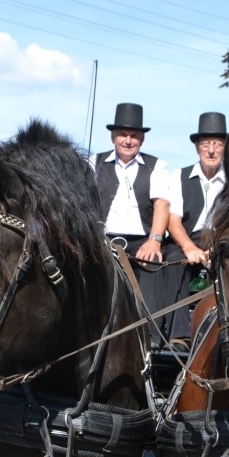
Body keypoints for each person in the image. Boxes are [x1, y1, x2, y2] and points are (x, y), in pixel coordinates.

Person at [91, 103, 170, 328]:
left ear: (141, 140)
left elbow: (162, 204)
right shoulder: (93, 162)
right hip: (103, 239)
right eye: (123, 135)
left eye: (134, 136)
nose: (128, 140)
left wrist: (154, 241)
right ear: (113, 137)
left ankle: (151, 335)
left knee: (154, 262)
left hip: (141, 241)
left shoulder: (156, 165)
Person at [160, 112, 227, 351]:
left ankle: (223, 336)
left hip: (221, 239)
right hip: (185, 239)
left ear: (225, 148)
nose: (211, 150)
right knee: (174, 260)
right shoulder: (180, 175)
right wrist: (190, 248)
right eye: (206, 144)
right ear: (197, 147)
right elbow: (173, 221)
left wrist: (216, 248)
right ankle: (179, 337)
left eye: (217, 144)